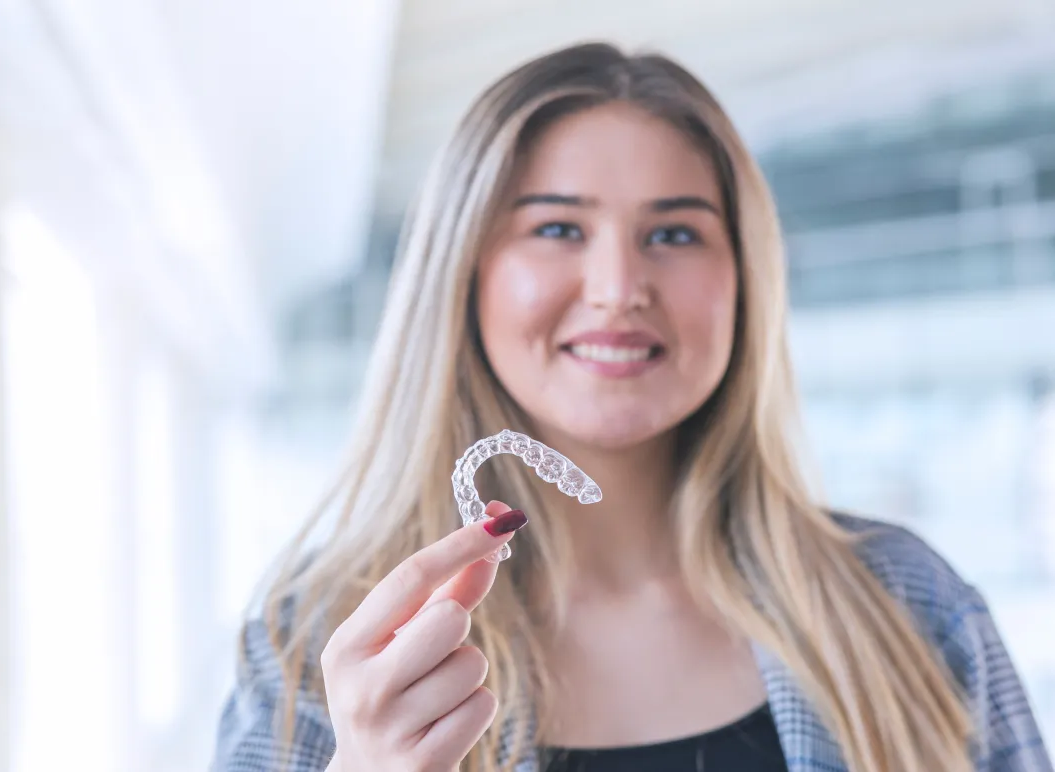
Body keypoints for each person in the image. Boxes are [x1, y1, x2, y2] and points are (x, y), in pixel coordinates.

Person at [212, 42, 1052, 772]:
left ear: (745, 281)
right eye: (557, 230)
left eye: (674, 234)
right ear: (463, 275)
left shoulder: (910, 605)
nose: (618, 291)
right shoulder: (318, 652)